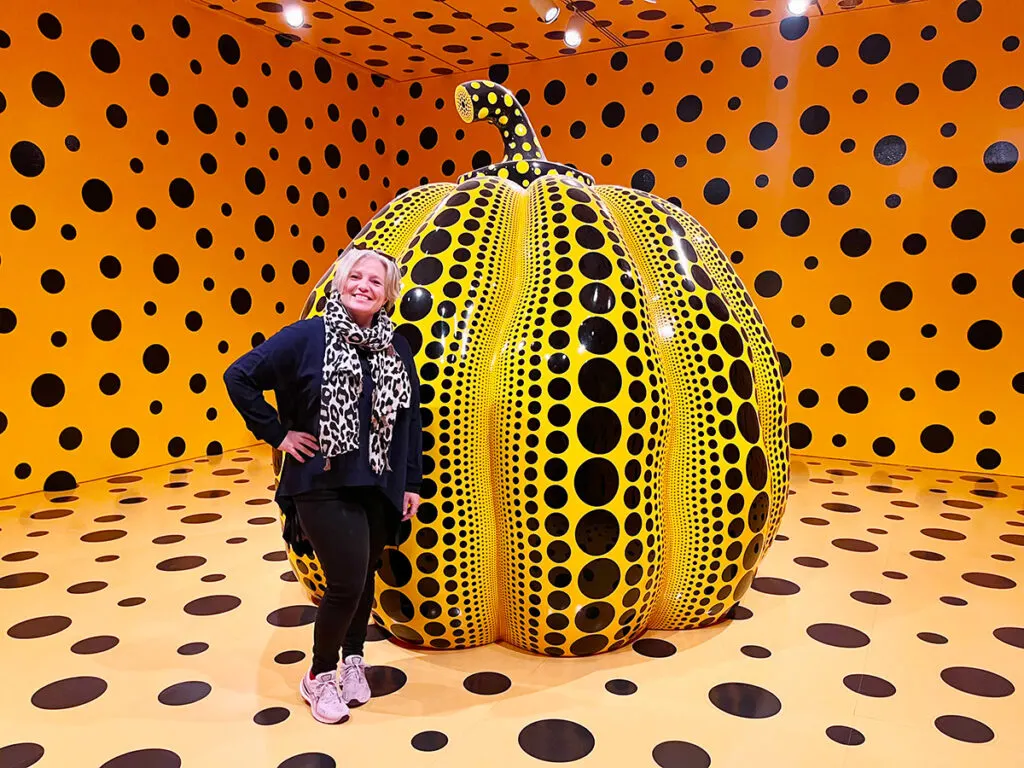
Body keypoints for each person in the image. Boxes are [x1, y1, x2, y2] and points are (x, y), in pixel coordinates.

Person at [223, 248, 423, 725]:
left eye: (376, 281)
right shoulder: (308, 337)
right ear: (340, 282)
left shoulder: (395, 348)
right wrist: (277, 433)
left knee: (365, 576)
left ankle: (354, 659)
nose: (365, 286)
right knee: (347, 582)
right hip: (321, 480)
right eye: (356, 275)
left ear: (387, 293)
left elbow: (409, 420)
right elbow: (239, 376)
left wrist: (411, 481)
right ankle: (318, 676)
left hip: (379, 481)